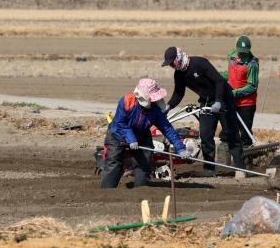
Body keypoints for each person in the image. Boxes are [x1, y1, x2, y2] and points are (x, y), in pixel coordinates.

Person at [161, 46, 246, 178]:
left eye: (172, 62)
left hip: (223, 98)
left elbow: (219, 81)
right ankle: (209, 169)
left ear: (178, 58)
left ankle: (240, 168)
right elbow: (179, 93)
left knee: (231, 133)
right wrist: (168, 106)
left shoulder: (199, 63)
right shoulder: (179, 74)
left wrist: (218, 101)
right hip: (206, 102)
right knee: (206, 135)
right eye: (170, 64)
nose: (172, 65)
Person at [101, 78, 189, 188]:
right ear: (143, 97)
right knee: (114, 162)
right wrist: (131, 139)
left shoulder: (156, 110)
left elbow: (167, 129)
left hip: (142, 135)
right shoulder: (126, 101)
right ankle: (107, 190)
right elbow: (120, 124)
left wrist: (180, 148)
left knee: (143, 163)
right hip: (117, 134)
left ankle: (141, 189)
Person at [220, 35, 259, 147]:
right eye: (240, 51)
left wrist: (235, 93)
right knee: (226, 132)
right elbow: (231, 74)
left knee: (245, 135)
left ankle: (248, 160)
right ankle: (225, 159)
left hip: (246, 104)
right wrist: (219, 76)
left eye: (245, 52)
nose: (242, 54)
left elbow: (252, 86)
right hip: (231, 102)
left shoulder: (252, 64)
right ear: (236, 48)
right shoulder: (232, 57)